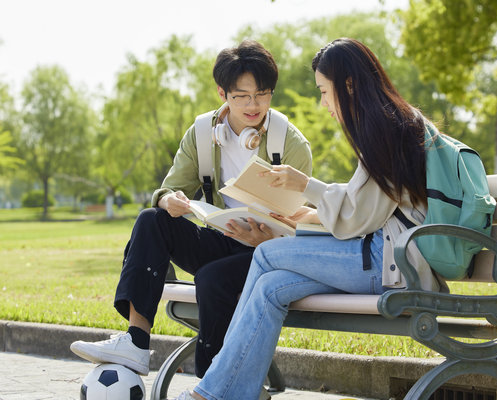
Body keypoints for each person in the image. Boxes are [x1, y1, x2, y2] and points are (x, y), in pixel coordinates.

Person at [172, 37, 446, 400]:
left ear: (348, 85)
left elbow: (358, 217)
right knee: (270, 288)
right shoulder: (387, 121)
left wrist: (307, 186)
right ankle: (237, 390)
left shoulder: (385, 127)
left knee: (266, 255)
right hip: (382, 254)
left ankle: (214, 392)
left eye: (323, 91)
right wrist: (311, 214)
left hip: (393, 264)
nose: (323, 102)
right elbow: (365, 207)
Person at [70, 39, 312, 384]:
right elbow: (171, 188)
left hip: (267, 253)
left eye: (263, 93)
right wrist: (168, 199)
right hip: (222, 237)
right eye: (242, 95)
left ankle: (215, 383)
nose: (254, 104)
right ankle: (136, 342)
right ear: (222, 93)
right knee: (152, 219)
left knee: (212, 278)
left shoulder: (290, 143)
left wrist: (265, 237)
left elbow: (298, 223)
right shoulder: (201, 133)